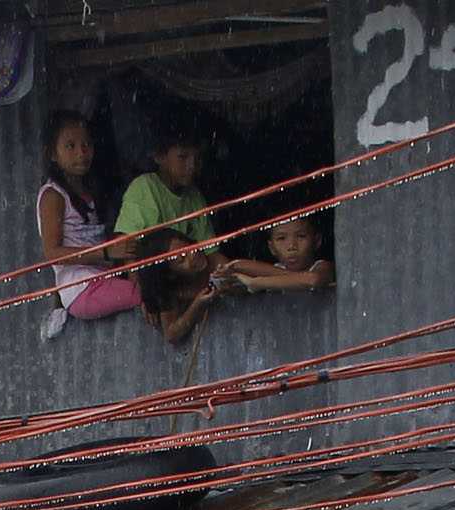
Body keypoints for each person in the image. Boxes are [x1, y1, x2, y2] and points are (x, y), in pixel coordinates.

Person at [33, 111, 143, 336]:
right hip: (81, 289)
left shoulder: (89, 190)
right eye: (70, 146)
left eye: (86, 145)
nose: (81, 153)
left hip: (103, 278)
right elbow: (53, 253)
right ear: (52, 154)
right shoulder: (53, 195)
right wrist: (106, 252)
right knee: (150, 294)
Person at [116, 131, 228, 342]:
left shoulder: (194, 196)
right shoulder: (145, 188)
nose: (192, 166)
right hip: (159, 282)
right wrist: (146, 295)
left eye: (196, 158)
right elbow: (128, 250)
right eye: (183, 157)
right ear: (159, 157)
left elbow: (212, 254)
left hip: (184, 280)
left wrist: (233, 272)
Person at [221, 213, 335, 297]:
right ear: (271, 248)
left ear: (317, 241)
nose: (291, 246)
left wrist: (257, 283)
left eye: (301, 236)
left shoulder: (322, 267)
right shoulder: (277, 269)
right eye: (281, 238)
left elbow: (313, 279)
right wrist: (228, 281)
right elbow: (240, 268)